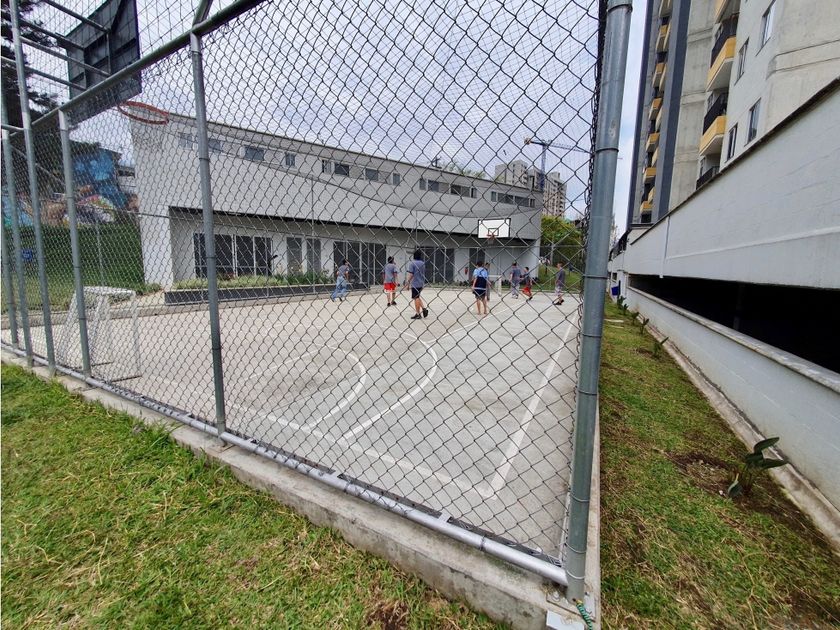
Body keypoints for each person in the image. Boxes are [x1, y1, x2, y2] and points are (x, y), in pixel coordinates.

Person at [404, 249, 428, 320]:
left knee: (416, 298)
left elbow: (411, 274)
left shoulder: (412, 263)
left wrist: (407, 282)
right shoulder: (423, 263)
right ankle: (424, 309)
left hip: (415, 283)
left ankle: (418, 314)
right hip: (421, 283)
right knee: (417, 296)